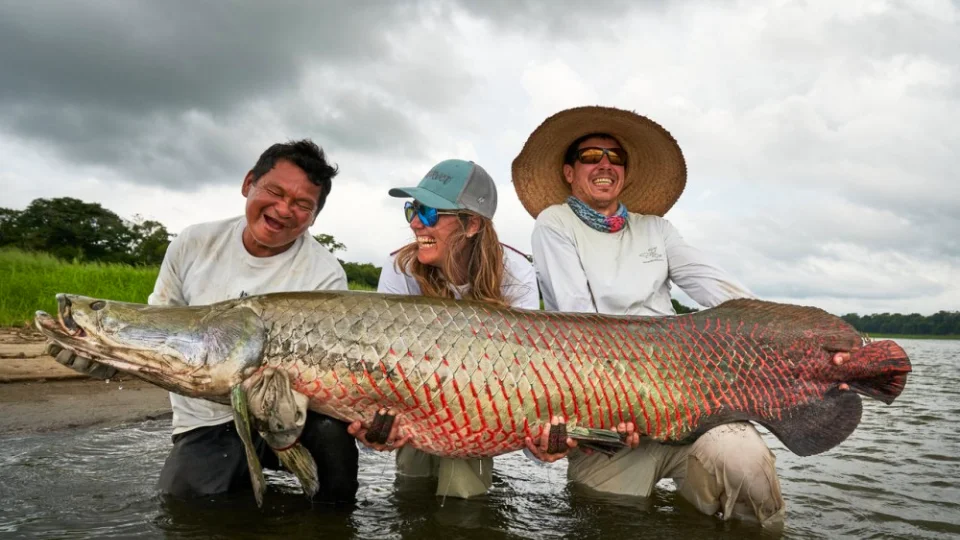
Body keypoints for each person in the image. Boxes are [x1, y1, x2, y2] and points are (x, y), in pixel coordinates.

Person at [511, 106, 785, 525]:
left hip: (681, 399)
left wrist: (773, 327)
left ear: (625, 171)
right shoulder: (554, 223)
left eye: (615, 157)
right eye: (590, 156)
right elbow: (579, 321)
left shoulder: (657, 228)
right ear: (569, 172)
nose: (604, 164)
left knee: (749, 469)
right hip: (604, 410)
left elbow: (715, 286)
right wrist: (624, 402)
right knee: (606, 521)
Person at [49, 140, 359, 504]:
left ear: (314, 216)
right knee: (187, 504)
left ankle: (331, 516)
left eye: (302, 204)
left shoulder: (325, 274)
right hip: (206, 419)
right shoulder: (194, 243)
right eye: (274, 191)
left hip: (293, 415)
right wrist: (111, 359)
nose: (284, 209)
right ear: (248, 184)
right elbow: (163, 328)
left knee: (332, 443)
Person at [370, 158, 540, 499]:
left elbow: (520, 373)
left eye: (431, 213)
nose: (416, 223)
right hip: (413, 398)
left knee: (464, 495)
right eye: (413, 209)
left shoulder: (517, 274)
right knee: (410, 489)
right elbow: (383, 357)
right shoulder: (399, 268)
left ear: (472, 224)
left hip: (483, 403)